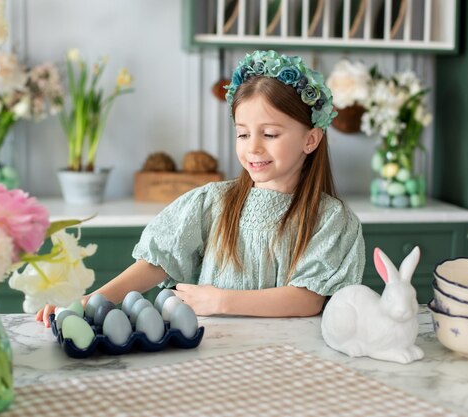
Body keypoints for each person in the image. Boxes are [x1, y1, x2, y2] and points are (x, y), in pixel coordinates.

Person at [37, 50, 365, 326]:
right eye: (242, 134)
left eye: (269, 134)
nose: (253, 148)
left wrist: (220, 300)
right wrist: (86, 304)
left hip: (290, 360)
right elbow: (157, 262)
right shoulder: (213, 202)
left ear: (310, 139)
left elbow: (305, 299)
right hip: (215, 355)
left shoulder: (330, 219)